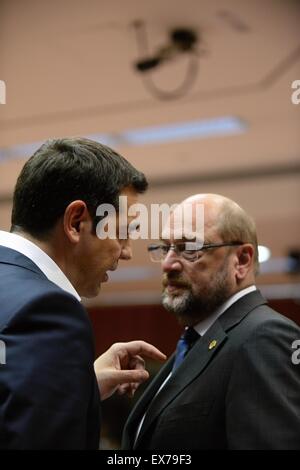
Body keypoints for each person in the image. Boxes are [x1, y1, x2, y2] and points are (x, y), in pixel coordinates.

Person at [0, 137, 166, 449]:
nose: (127, 252)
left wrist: (79, 387)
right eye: (122, 233)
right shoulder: (48, 310)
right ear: (76, 222)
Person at [122, 193, 300, 450]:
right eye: (165, 248)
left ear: (242, 260)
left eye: (190, 248)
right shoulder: (198, 341)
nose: (168, 264)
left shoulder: (264, 337)